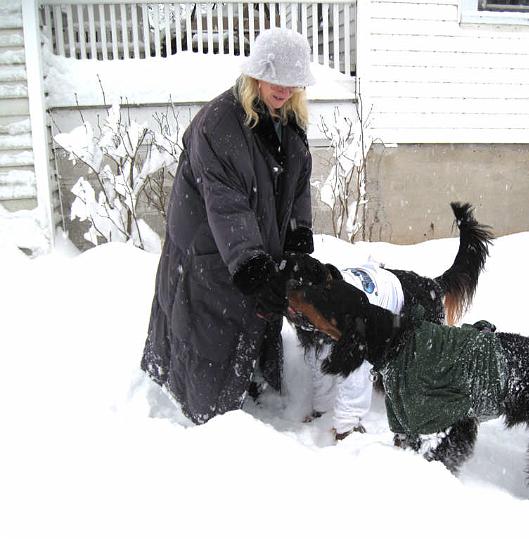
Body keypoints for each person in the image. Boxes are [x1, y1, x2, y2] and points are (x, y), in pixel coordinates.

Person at [141, 28, 316, 424]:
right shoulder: (220, 124)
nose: (284, 89)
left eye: (293, 81)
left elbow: (297, 183)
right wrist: (253, 267)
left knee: (253, 321)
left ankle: (253, 389)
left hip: (246, 247)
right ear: (255, 72)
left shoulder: (288, 121)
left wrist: (297, 237)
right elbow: (228, 204)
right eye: (276, 78)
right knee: (207, 337)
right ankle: (208, 423)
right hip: (209, 252)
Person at [306, 262, 405, 440]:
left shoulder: (347, 314)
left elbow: (357, 367)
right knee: (324, 350)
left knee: (359, 359)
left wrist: (346, 424)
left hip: (396, 291)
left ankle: (349, 427)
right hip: (372, 286)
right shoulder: (324, 311)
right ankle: (325, 411)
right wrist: (321, 409)